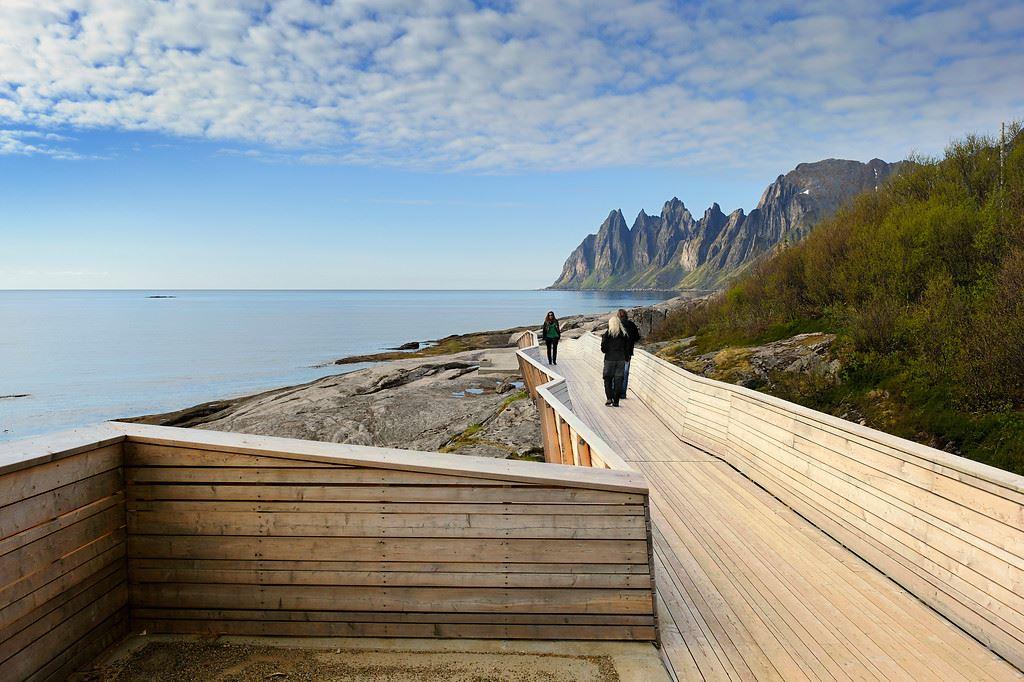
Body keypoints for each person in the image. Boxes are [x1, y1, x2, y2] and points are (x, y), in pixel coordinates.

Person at [600, 314, 629, 407]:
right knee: (618, 380)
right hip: (620, 360)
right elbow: (627, 348)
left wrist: (608, 350)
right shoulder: (624, 334)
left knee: (607, 379)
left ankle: (609, 398)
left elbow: (603, 348)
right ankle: (616, 401)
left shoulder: (607, 334)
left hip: (609, 359)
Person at [617, 309, 641, 399]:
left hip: (617, 352)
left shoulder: (616, 325)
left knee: (616, 372)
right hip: (628, 352)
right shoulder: (631, 324)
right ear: (626, 315)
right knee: (625, 373)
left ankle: (615, 391)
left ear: (618, 316)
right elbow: (637, 337)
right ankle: (623, 393)